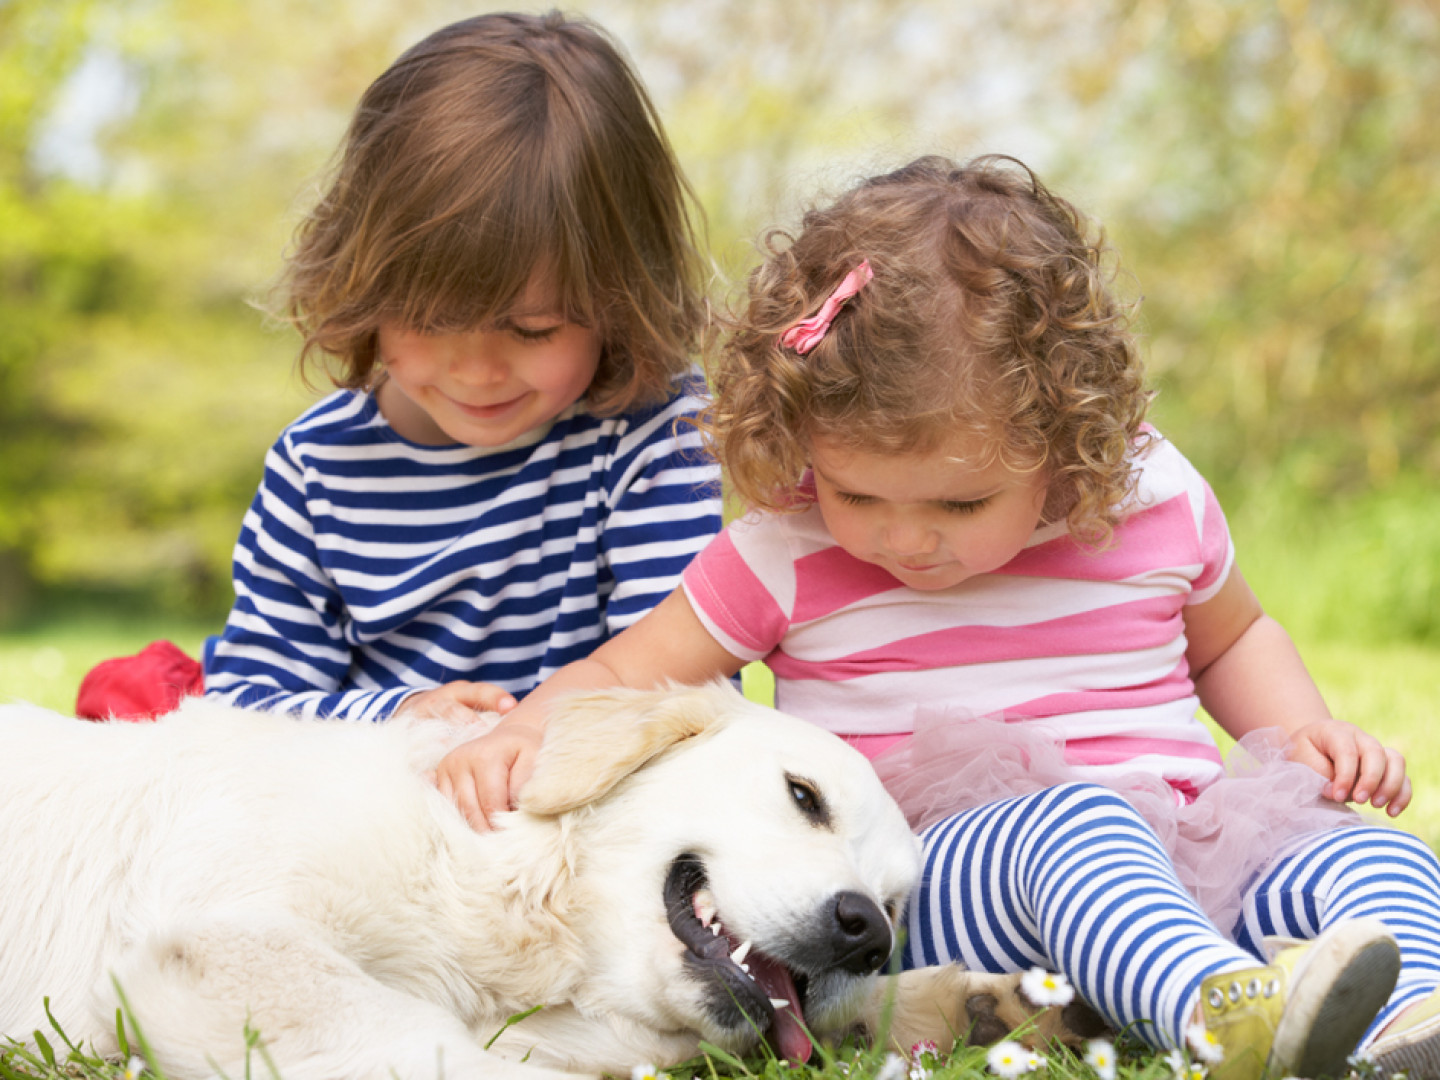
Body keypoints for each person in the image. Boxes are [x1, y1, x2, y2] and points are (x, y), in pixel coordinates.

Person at [441, 155, 1440, 1080]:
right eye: (858, 495)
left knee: (1364, 850)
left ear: (1065, 438)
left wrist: (1300, 732)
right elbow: (631, 672)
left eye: (960, 506)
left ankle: (1413, 1017)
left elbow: (1233, 636)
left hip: (1188, 835)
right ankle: (1217, 1015)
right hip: (944, 877)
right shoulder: (786, 548)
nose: (906, 539)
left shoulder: (1150, 500)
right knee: (1079, 829)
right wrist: (527, 725)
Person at [192, 13, 722, 749]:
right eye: (429, 322)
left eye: (533, 330)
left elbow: (685, 689)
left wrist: (525, 744)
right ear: (363, 283)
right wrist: (402, 720)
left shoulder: (652, 432)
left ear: (620, 294)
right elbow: (245, 706)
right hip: (381, 814)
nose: (476, 371)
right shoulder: (318, 465)